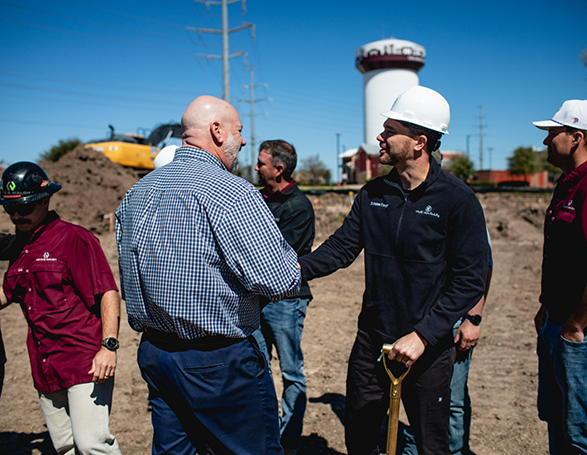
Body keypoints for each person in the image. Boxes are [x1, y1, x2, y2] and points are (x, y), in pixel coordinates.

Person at [298, 85, 488, 455]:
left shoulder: (457, 200)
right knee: (361, 434)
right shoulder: (373, 193)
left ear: (419, 142)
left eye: (389, 130)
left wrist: (423, 335)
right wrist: (286, 270)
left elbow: (470, 280)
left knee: (431, 443)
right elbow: (339, 249)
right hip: (373, 339)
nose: (379, 137)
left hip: (428, 346)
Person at [116, 95, 302, 455]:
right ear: (217, 131)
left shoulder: (137, 192)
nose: (244, 141)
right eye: (239, 130)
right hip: (217, 363)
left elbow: (129, 278)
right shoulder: (233, 192)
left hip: (157, 353)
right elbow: (279, 280)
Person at [0, 161, 122, 455]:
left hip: (84, 362)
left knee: (92, 444)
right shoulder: (21, 249)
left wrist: (108, 346)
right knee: (66, 446)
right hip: (45, 365)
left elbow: (107, 291)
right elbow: (6, 293)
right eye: (9, 209)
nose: (17, 216)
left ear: (45, 200)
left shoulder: (74, 238)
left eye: (24, 208)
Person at [252, 140, 315, 455]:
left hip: (286, 301)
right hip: (257, 300)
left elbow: (277, 258)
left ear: (278, 168)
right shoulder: (256, 198)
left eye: (261, 163)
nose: (255, 168)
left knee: (291, 372)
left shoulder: (298, 206)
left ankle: (289, 441)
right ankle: (268, 436)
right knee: (258, 368)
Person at [533, 99, 587, 454]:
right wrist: (546, 308)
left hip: (577, 331)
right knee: (557, 420)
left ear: (577, 137)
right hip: (557, 319)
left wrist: (577, 323)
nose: (545, 142)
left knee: (578, 430)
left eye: (553, 134)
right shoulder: (565, 186)